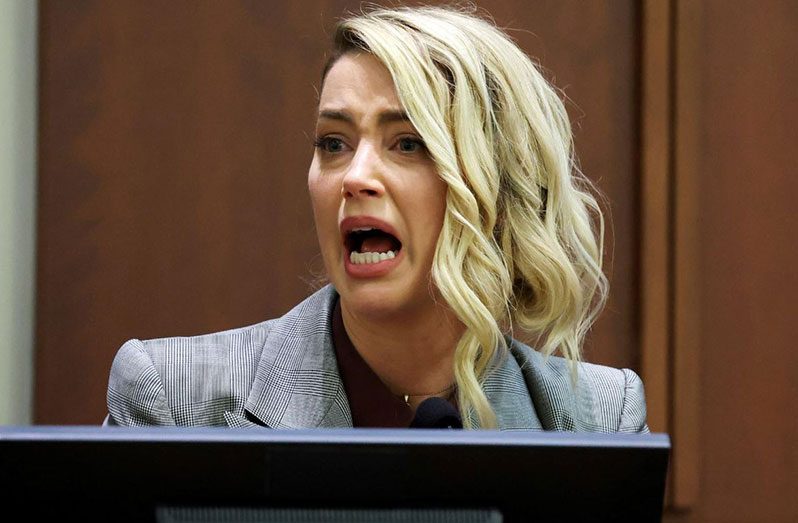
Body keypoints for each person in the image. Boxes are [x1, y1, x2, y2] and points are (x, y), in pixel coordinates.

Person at [104, 5, 648, 432]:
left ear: (496, 187)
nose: (354, 177)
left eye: (408, 144)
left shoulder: (599, 417)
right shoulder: (174, 400)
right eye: (333, 143)